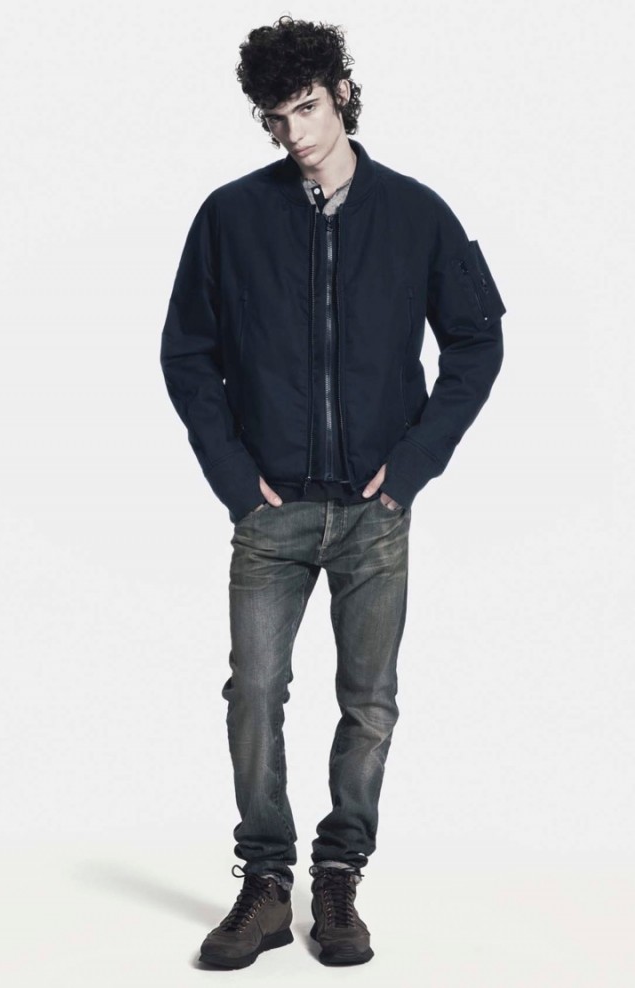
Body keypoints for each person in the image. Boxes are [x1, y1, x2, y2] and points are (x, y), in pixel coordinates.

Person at [159, 15, 506, 970]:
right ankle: (267, 882)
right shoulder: (230, 216)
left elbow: (477, 340)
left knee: (370, 701)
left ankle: (340, 873)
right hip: (270, 514)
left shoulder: (417, 213)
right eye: (276, 118)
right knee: (254, 691)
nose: (295, 133)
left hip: (372, 515)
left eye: (307, 108)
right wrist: (237, 480)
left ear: (341, 93)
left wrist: (417, 462)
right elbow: (186, 354)